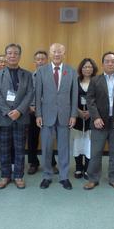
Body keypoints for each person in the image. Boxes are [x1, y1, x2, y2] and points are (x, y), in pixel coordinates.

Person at [84, 51, 114, 192]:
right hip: (99, 122)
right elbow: (90, 100)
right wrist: (96, 117)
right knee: (96, 152)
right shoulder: (95, 80)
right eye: (107, 61)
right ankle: (92, 179)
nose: (110, 63)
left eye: (113, 61)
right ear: (103, 63)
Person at [36, 43, 78, 190]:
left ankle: (64, 176)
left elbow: (74, 95)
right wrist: (38, 114)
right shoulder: (41, 71)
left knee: (64, 147)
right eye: (54, 51)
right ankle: (47, 175)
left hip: (65, 116)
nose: (57, 54)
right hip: (46, 116)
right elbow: (37, 95)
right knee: (46, 147)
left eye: (60, 51)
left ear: (64, 53)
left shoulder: (71, 71)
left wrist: (73, 114)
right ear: (50, 53)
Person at [0, 43, 33, 189]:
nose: (12, 56)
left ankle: (19, 176)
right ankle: (5, 175)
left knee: (20, 148)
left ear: (20, 56)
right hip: (4, 117)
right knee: (4, 148)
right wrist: (8, 111)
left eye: (15, 53)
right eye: (9, 53)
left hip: (21, 117)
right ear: (5, 55)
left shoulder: (27, 75)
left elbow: (30, 94)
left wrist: (19, 111)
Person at [27, 50, 58, 175]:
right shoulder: (29, 76)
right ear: (34, 61)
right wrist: (29, 106)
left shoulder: (53, 76)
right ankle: (33, 163)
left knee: (49, 139)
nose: (40, 61)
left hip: (48, 112)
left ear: (47, 61)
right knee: (32, 139)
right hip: (32, 112)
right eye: (38, 59)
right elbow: (26, 93)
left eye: (43, 59)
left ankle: (51, 163)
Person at [71, 58, 98, 180]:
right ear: (81, 69)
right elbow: (69, 98)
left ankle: (87, 168)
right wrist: (78, 111)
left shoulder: (97, 82)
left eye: (90, 67)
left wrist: (91, 112)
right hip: (77, 116)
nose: (87, 69)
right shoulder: (75, 81)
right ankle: (78, 167)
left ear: (93, 69)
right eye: (85, 67)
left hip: (92, 118)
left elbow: (101, 100)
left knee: (89, 143)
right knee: (77, 143)